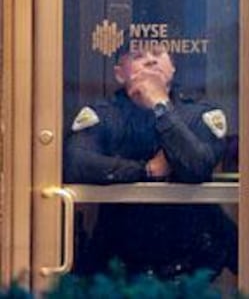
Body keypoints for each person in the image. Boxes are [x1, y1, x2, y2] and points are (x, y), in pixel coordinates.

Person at [64, 43, 238, 279]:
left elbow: (196, 167)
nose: (150, 61)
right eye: (137, 56)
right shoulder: (103, 114)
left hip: (191, 264)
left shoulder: (200, 114)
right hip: (119, 265)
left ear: (172, 68)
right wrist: (145, 170)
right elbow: (75, 163)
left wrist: (160, 105)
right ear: (119, 73)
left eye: (158, 54)